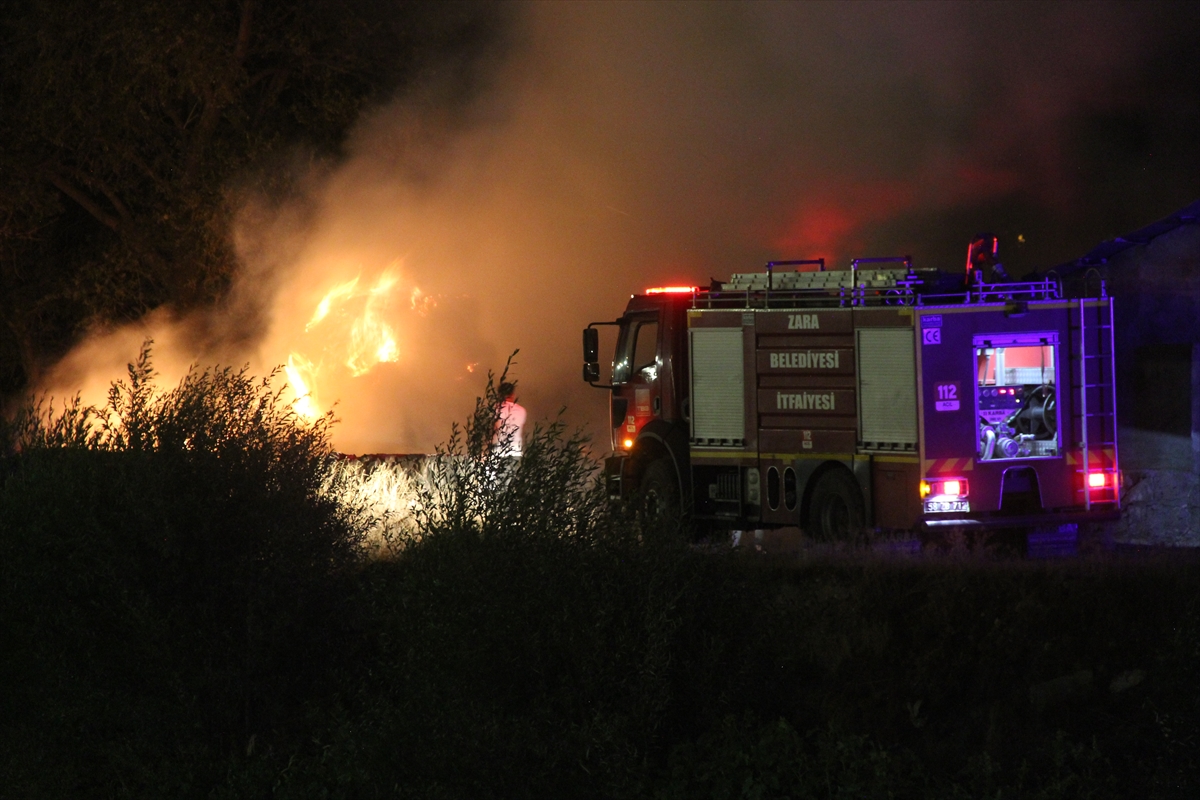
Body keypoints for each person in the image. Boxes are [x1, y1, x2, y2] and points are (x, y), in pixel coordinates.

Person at [493, 382, 526, 458]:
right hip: (516, 452)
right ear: (512, 394)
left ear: (499, 395)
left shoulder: (495, 409)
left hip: (498, 453)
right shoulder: (521, 410)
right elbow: (522, 431)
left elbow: (492, 430)